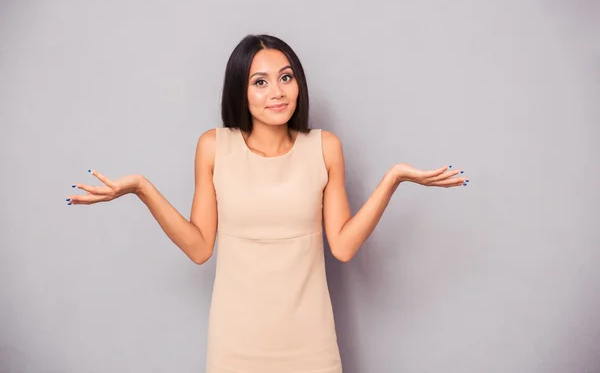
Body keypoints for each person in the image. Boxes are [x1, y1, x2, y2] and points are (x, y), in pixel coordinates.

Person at [66, 34, 469, 372]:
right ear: (240, 89)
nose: (276, 92)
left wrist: (392, 178)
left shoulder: (324, 147)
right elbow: (199, 247)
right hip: (236, 341)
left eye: (285, 78)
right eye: (260, 82)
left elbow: (343, 247)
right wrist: (142, 188)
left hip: (309, 341)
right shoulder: (213, 146)